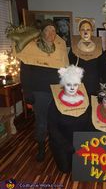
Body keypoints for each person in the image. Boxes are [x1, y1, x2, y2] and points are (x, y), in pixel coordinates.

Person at [9, 19, 69, 162]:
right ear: (42, 32)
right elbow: (25, 72)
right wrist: (28, 92)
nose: (51, 33)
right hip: (40, 92)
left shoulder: (60, 47)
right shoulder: (31, 48)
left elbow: (65, 70)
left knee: (56, 121)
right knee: (42, 122)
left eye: (53, 30)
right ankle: (41, 148)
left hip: (57, 91)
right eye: (47, 30)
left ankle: (56, 146)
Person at [48, 65, 90, 172]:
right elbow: (52, 128)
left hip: (81, 142)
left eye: (75, 85)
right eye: (68, 85)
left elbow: (90, 123)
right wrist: (66, 145)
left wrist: (87, 142)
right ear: (63, 85)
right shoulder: (55, 103)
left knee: (83, 169)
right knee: (66, 170)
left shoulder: (86, 101)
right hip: (63, 142)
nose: (72, 88)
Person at [69, 17, 102, 96]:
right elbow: (69, 66)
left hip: (95, 86)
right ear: (79, 31)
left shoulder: (99, 47)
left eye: (88, 29)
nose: (85, 32)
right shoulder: (74, 47)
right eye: (83, 30)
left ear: (92, 31)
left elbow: (102, 67)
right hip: (79, 86)